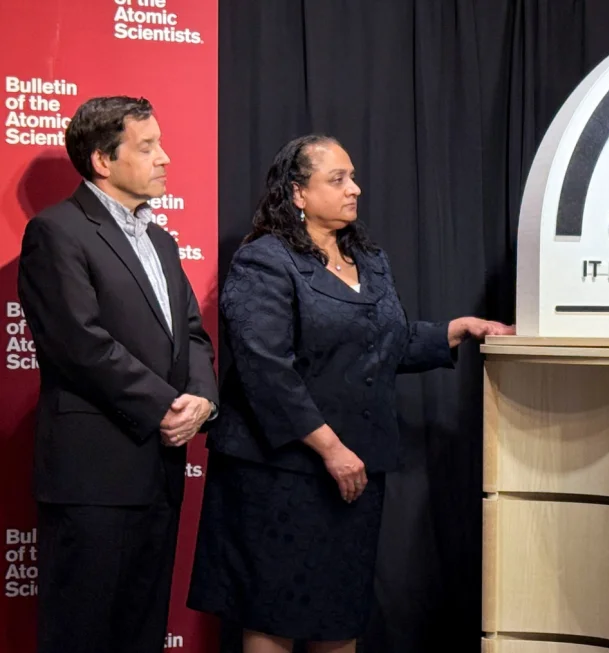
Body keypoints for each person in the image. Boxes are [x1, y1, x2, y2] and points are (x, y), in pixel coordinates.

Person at [187, 134, 513, 653]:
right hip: (281, 473)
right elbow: (266, 369)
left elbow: (386, 343)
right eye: (337, 179)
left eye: (353, 176)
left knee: (340, 615)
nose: (355, 189)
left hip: (355, 471)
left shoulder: (368, 257)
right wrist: (330, 449)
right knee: (273, 617)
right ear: (297, 192)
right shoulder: (264, 261)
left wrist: (458, 329)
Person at [17, 96, 219, 653]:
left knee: (142, 629)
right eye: (148, 146)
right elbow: (78, 344)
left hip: (158, 470)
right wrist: (166, 406)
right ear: (103, 160)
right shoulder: (56, 231)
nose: (166, 158)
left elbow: (191, 335)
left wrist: (201, 398)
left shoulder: (161, 240)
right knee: (82, 632)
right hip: (93, 474)